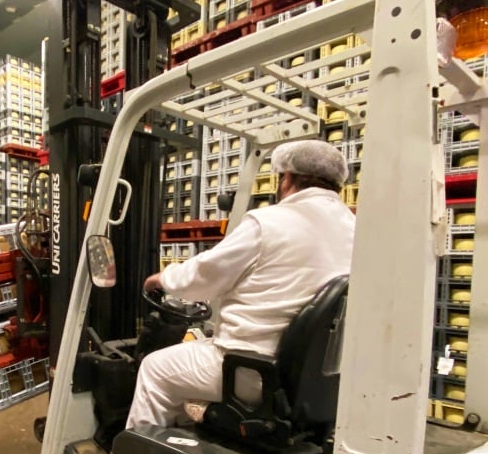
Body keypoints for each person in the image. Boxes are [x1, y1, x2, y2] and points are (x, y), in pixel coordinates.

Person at [125, 139, 357, 430]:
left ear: (286, 178)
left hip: (253, 372)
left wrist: (164, 278)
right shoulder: (355, 229)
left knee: (154, 370)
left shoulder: (269, 222)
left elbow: (205, 275)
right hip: (314, 376)